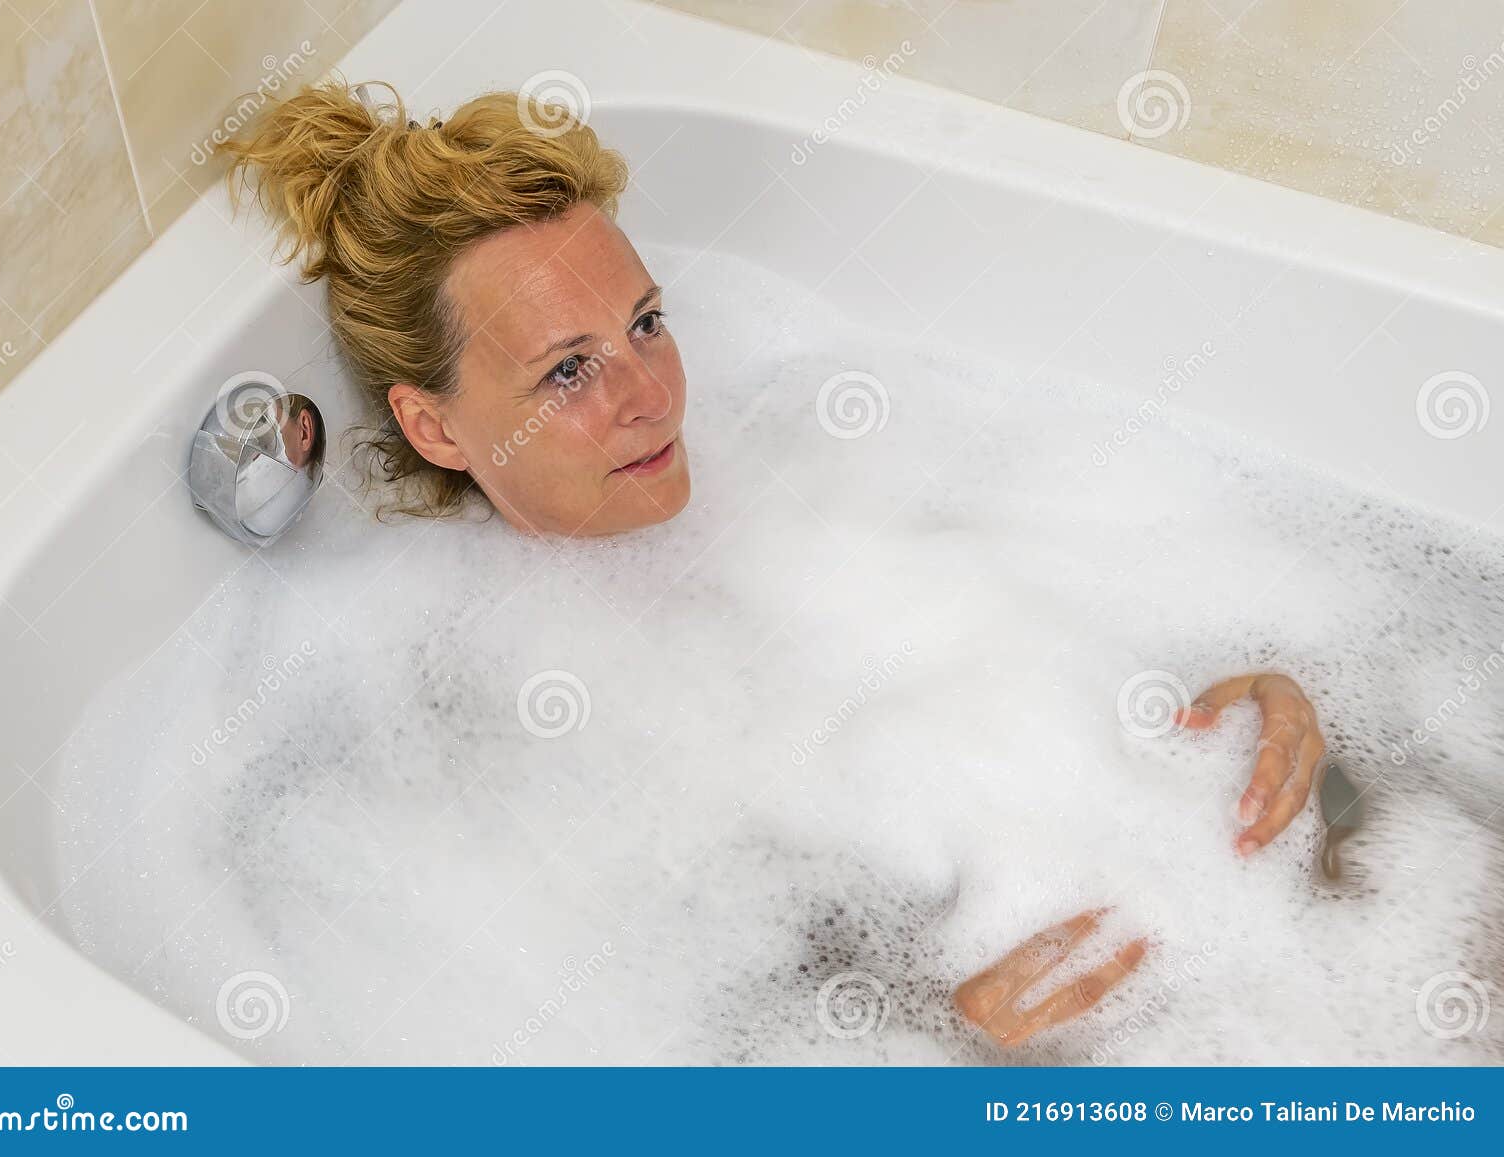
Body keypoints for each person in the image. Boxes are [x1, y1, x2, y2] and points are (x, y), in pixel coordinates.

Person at [223, 78, 1326, 1049]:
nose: (648, 394)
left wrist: (1247, 704)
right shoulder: (456, 723)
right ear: (439, 429)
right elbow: (655, 1038)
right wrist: (941, 1042)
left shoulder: (820, 457)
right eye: (568, 372)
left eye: (645, 322)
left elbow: (1071, 607)